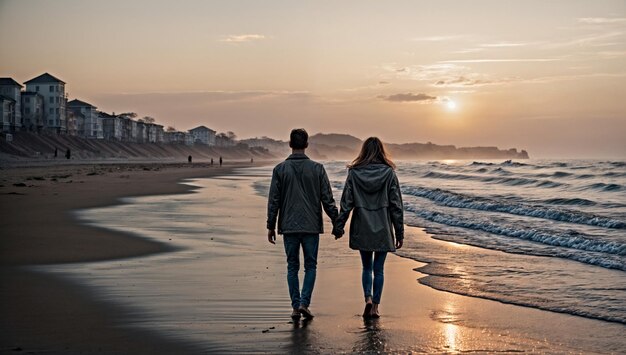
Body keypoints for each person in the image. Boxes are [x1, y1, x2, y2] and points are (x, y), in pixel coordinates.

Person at [267, 128, 338, 321]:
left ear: (290, 144)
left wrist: (270, 225)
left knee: (292, 266)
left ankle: (295, 307)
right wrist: (336, 222)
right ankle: (304, 303)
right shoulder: (318, 169)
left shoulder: (280, 169)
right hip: (311, 226)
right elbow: (327, 200)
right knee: (310, 266)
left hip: (289, 226)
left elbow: (274, 200)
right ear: (306, 145)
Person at [333, 137, 404, 319]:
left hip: (362, 224)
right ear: (381, 151)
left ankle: (368, 299)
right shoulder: (389, 174)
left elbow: (346, 203)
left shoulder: (354, 173)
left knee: (367, 267)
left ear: (363, 151)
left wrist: (339, 226)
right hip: (382, 226)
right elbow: (396, 205)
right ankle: (375, 308)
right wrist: (399, 232)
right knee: (379, 269)